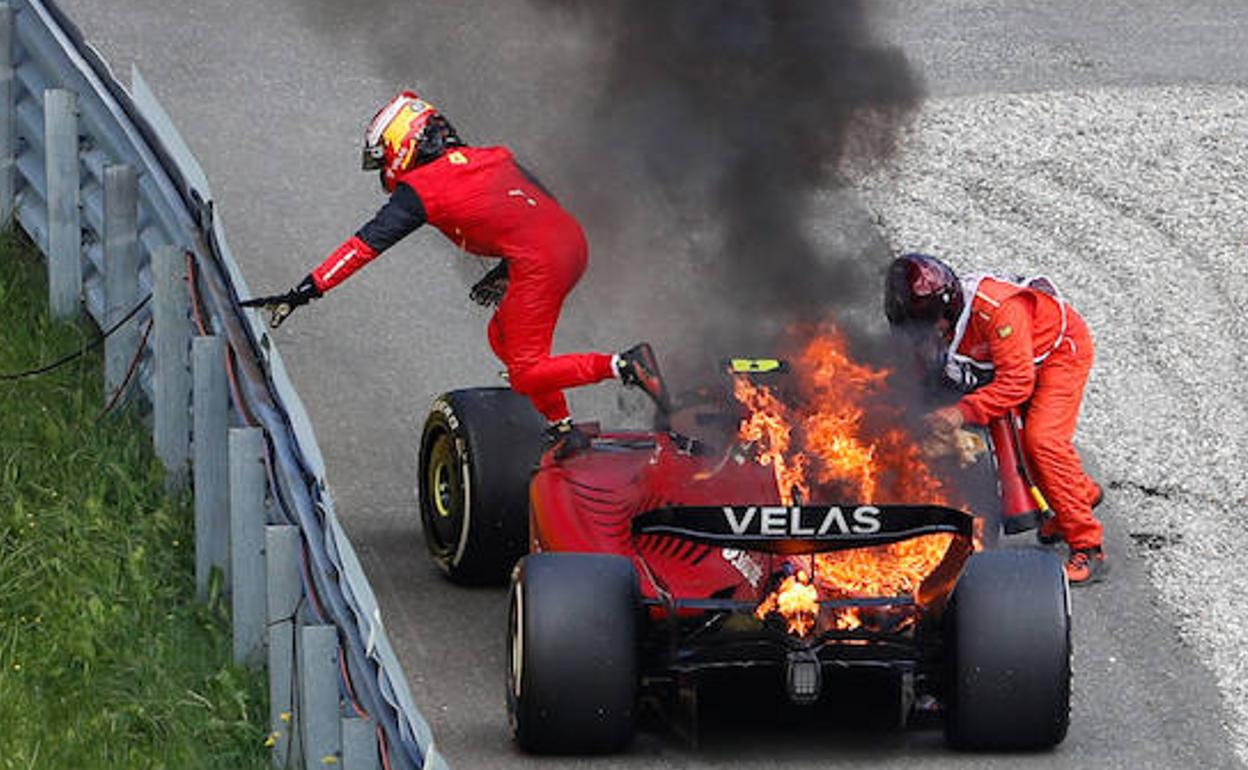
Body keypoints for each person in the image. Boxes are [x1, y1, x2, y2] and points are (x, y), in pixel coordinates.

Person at [242, 91, 667, 454]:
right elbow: (540, 204)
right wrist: (508, 263)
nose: (386, 168)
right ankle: (563, 431)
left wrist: (306, 290)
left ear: (402, 145)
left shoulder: (421, 189)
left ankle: (625, 365)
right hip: (570, 243)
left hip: (541, 261)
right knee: (501, 335)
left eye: (384, 157)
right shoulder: (493, 156)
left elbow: (364, 245)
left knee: (525, 371)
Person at [884, 252, 1108, 585]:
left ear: (947, 310)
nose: (926, 334)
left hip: (1058, 354)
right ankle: (1079, 495)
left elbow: (1016, 384)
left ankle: (1088, 547)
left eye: (929, 326)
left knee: (1042, 441)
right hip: (1015, 361)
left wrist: (959, 413)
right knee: (1029, 447)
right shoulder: (933, 316)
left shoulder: (999, 312)